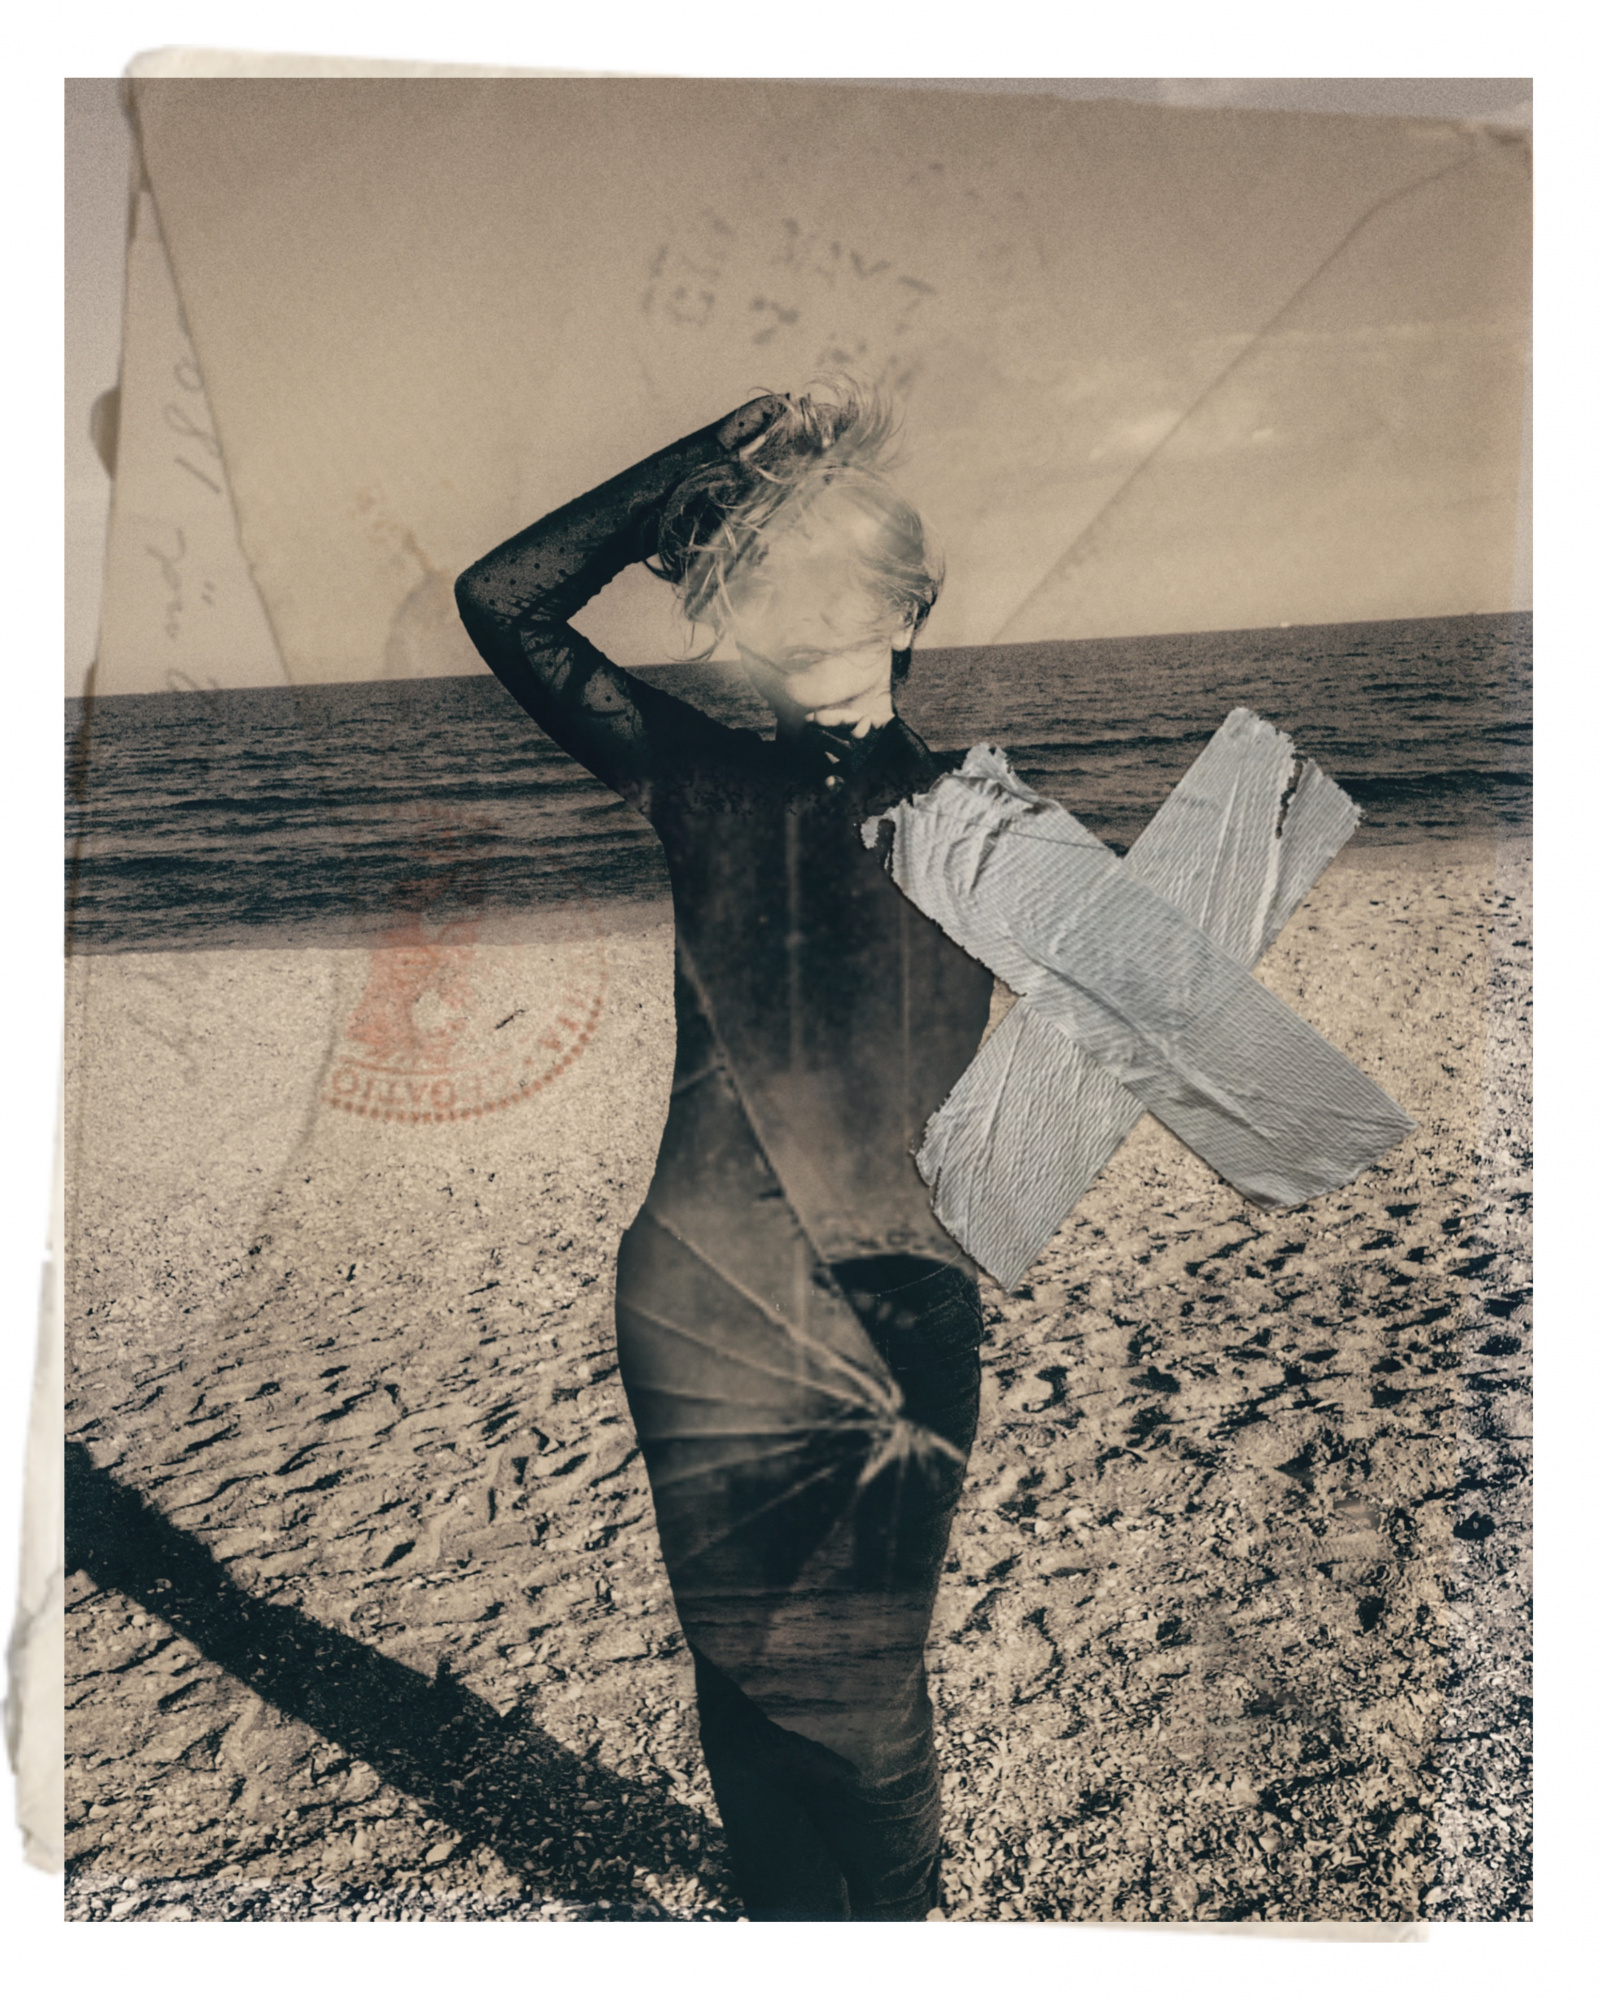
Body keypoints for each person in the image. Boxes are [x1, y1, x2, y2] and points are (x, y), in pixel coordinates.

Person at [455, 386, 994, 1921]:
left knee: (862, 1689)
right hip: (701, 1299)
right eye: (774, 579)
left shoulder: (983, 826)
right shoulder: (699, 776)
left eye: (843, 575)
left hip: (893, 1307)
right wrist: (713, 457)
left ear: (908, 606)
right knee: (742, 1671)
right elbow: (502, 599)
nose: (808, 604)